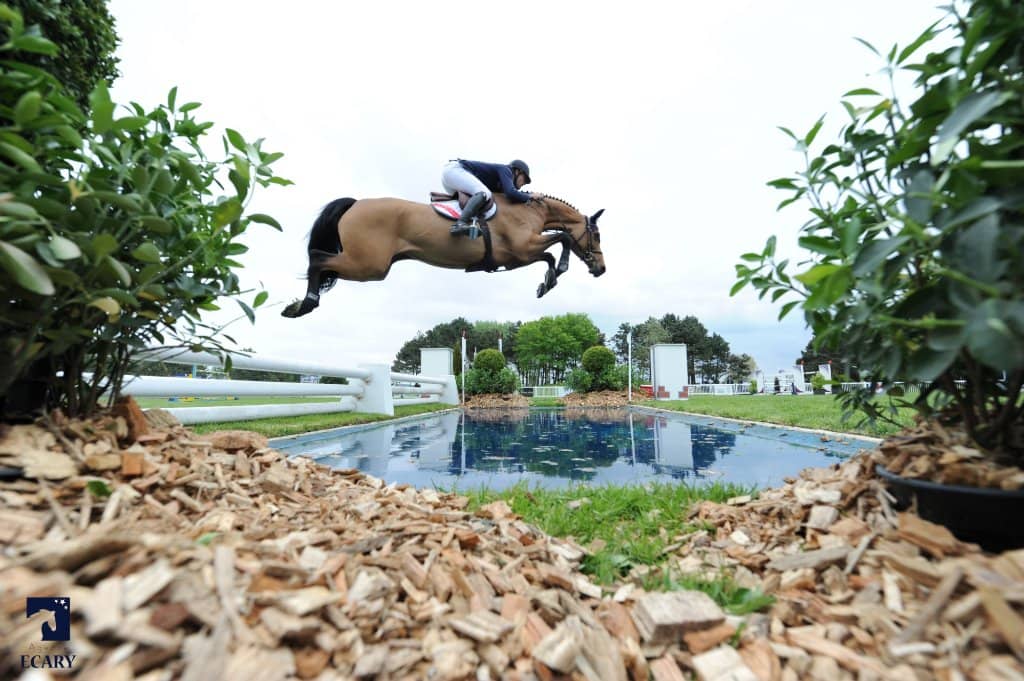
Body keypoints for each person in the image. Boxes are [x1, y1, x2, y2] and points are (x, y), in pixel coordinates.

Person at [442, 159, 537, 236]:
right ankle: (460, 224)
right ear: (517, 172)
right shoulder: (506, 170)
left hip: (451, 178)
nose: (523, 184)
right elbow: (511, 193)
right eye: (524, 179)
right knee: (484, 193)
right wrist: (530, 196)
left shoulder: (500, 182)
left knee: (483, 198)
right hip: (455, 170)